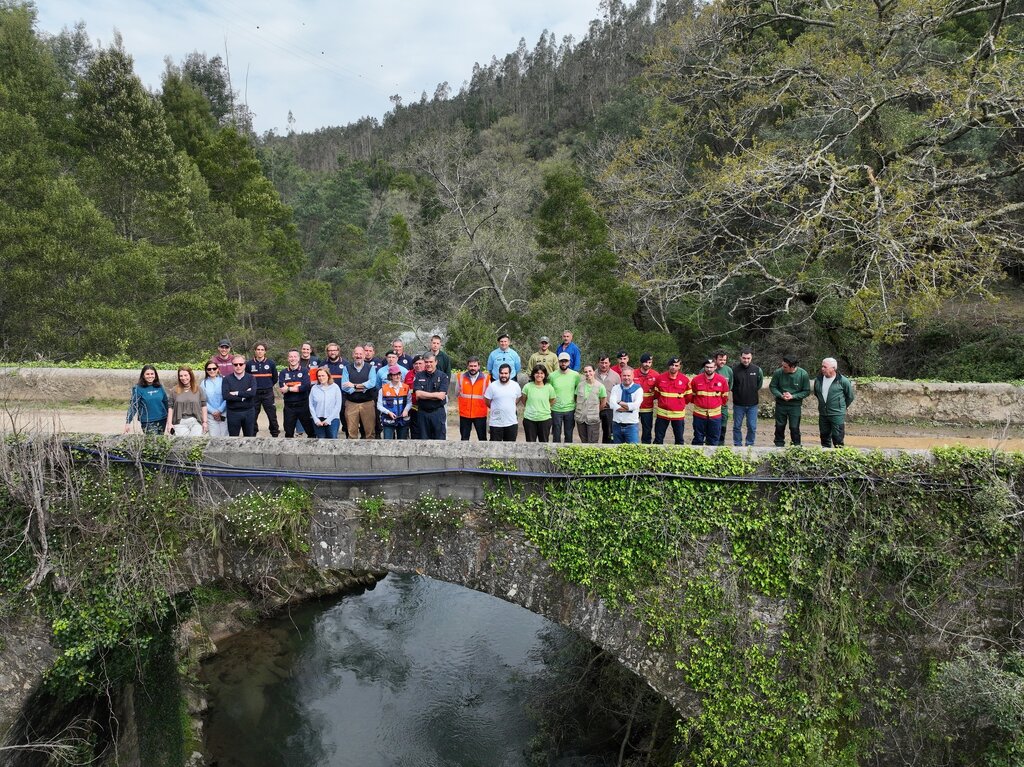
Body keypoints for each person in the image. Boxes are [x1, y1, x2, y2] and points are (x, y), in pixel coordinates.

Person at [770, 355, 811, 447]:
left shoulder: (803, 374)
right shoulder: (778, 373)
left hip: (795, 405)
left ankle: (796, 445)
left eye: (785, 367)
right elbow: (773, 386)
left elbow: (806, 391)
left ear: (792, 367)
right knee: (779, 426)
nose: (782, 368)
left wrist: (793, 396)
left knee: (794, 427)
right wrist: (780, 395)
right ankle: (779, 444)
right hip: (781, 404)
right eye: (782, 365)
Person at [813, 357, 855, 448]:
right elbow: (817, 394)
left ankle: (839, 458)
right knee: (824, 437)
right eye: (822, 366)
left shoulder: (843, 381)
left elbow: (850, 397)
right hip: (823, 414)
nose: (822, 369)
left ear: (833, 368)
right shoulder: (818, 380)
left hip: (837, 414)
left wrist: (841, 407)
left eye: (825, 367)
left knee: (838, 438)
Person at [689, 358, 729, 446]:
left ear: (715, 367)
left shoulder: (722, 380)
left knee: (714, 439)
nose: (709, 369)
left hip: (715, 416)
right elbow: (692, 396)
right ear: (704, 367)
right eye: (707, 367)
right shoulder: (696, 380)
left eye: (711, 367)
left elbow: (725, 397)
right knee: (698, 438)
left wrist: (715, 405)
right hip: (699, 415)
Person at [342, 346, 378, 440]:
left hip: (367, 403)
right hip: (351, 404)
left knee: (370, 433)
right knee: (351, 432)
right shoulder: (347, 368)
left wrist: (353, 386)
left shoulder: (371, 368)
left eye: (360, 354)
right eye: (356, 354)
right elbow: (344, 386)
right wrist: (362, 387)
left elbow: (371, 383)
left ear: (364, 355)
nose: (358, 356)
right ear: (353, 355)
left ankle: (370, 454)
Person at [278, 349, 316, 438]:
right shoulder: (284, 372)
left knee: (310, 431)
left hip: (303, 405)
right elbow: (282, 388)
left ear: (298, 358)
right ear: (288, 358)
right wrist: (298, 386)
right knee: (288, 432)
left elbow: (306, 386)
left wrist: (289, 388)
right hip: (289, 406)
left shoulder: (304, 371)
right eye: (291, 356)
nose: (293, 359)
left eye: (295, 356)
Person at [413, 353, 449, 440]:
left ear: (436, 362)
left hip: (437, 412)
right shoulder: (419, 375)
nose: (429, 364)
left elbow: (441, 396)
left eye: (431, 362)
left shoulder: (443, 376)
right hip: (423, 413)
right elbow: (418, 394)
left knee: (439, 440)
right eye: (426, 362)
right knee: (423, 440)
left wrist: (424, 394)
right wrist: (435, 395)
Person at [731, 349, 763, 447]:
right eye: (744, 358)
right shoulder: (734, 370)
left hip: (753, 404)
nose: (746, 360)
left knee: (752, 427)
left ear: (751, 358)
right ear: (740, 357)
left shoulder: (757, 369)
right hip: (738, 404)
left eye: (748, 358)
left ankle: (750, 444)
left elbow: (759, 384)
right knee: (737, 426)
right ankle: (738, 444)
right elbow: (732, 386)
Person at [247, 342, 280, 437]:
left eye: (262, 350)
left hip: (268, 393)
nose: (260, 351)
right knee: (253, 415)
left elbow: (274, 378)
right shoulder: (249, 364)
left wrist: (267, 385)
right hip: (254, 394)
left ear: (265, 351)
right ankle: (252, 435)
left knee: (272, 415)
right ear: (255, 351)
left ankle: (275, 435)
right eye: (258, 349)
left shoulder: (271, 363)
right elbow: (247, 379)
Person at [124, 365, 168, 434]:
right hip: (148, 421)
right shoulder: (137, 388)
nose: (150, 376)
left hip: (162, 419)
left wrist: (170, 419)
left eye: (152, 374)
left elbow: (166, 402)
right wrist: (128, 422)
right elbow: (133, 406)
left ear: (155, 375)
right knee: (152, 442)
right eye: (147, 374)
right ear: (143, 375)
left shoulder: (160, 387)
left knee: (160, 442)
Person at [654, 357, 690, 444]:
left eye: (676, 365)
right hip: (662, 414)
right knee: (658, 439)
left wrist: (678, 404)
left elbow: (688, 397)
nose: (673, 367)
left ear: (679, 367)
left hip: (678, 415)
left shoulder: (685, 380)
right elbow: (656, 394)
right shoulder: (660, 378)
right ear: (668, 366)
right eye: (672, 365)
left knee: (679, 439)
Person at [165, 366, 207, 437]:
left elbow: (204, 406)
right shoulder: (174, 390)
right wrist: (169, 424)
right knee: (183, 444)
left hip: (196, 421)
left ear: (190, 375)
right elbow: (170, 408)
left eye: (185, 375)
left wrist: (205, 422)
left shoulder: (198, 389)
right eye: (181, 376)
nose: (183, 378)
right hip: (180, 422)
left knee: (195, 443)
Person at [484, 364, 521, 442]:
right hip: (496, 423)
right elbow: (487, 401)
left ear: (510, 374)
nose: (503, 375)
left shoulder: (515, 386)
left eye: (506, 373)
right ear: (498, 373)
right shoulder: (492, 386)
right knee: (494, 449)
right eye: (501, 373)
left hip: (511, 422)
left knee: (510, 448)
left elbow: (518, 398)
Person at [549, 352, 581, 443]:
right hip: (555, 409)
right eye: (561, 361)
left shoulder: (575, 375)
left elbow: (577, 391)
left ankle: (568, 454)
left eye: (565, 361)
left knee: (569, 434)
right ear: (558, 362)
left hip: (570, 408)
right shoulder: (552, 376)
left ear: (569, 362)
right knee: (556, 434)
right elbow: (549, 391)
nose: (563, 363)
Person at [222, 355, 257, 436]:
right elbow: (226, 396)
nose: (238, 366)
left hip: (249, 413)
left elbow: (252, 393)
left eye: (241, 364)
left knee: (249, 438)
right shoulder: (226, 379)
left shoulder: (251, 378)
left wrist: (236, 393)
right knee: (233, 439)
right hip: (233, 413)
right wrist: (243, 397)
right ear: (232, 365)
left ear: (245, 365)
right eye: (235, 364)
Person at [456, 357, 490, 441]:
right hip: (465, 414)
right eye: (471, 366)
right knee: (464, 439)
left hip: (480, 414)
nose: (473, 368)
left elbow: (490, 396)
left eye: (475, 366)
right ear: (467, 366)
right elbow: (457, 393)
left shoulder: (486, 378)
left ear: (479, 366)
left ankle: (483, 454)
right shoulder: (460, 377)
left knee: (482, 439)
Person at [519, 365, 556, 442]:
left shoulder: (549, 387)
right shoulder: (527, 386)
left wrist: (545, 407)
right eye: (537, 373)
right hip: (529, 419)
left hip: (545, 419)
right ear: (533, 374)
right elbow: (523, 399)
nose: (539, 375)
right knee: (530, 443)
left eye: (542, 373)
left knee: (544, 443)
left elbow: (553, 399)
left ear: (545, 375)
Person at [377, 365, 413, 439]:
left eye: (399, 374)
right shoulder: (383, 389)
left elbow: (409, 402)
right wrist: (388, 412)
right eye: (395, 374)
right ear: (390, 376)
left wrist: (406, 410)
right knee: (387, 442)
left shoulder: (406, 387)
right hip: (388, 419)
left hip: (403, 419)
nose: (397, 376)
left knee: (402, 442)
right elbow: (379, 405)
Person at [574, 365, 607, 443]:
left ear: (594, 372)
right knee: (583, 441)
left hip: (593, 418)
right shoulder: (580, 385)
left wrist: (596, 410)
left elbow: (603, 402)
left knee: (593, 442)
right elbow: (576, 398)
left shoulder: (600, 386)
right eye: (585, 372)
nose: (588, 373)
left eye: (590, 371)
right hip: (581, 418)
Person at [608, 367, 642, 444]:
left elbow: (635, 406)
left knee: (633, 450)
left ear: (633, 376)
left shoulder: (638, 389)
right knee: (616, 451)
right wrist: (629, 407)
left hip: (631, 426)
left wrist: (620, 402)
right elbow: (612, 405)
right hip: (617, 425)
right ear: (621, 376)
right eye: (624, 375)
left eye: (628, 375)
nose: (626, 378)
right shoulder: (616, 388)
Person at [309, 367, 342, 439]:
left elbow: (338, 405)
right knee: (321, 442)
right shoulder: (314, 388)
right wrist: (316, 419)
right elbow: (311, 405)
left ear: (328, 376)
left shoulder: (335, 387)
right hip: (318, 420)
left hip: (332, 419)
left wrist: (328, 420)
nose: (321, 378)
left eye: (323, 375)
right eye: (319, 376)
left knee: (332, 442)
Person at [634, 354, 659, 444]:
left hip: (647, 408)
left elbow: (657, 392)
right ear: (641, 363)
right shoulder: (633, 373)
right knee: (633, 429)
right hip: (634, 408)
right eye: (645, 362)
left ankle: (646, 447)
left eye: (649, 362)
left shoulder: (656, 375)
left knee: (647, 431)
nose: (647, 364)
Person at [595, 355, 621, 444]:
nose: (604, 365)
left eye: (606, 363)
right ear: (598, 363)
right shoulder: (593, 374)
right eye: (602, 363)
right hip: (595, 407)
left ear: (609, 363)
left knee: (608, 432)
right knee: (593, 431)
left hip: (609, 408)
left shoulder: (616, 376)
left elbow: (619, 392)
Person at [201, 362, 228, 437]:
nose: (212, 370)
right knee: (214, 437)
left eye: (214, 368)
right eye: (209, 369)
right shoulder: (204, 383)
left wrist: (220, 410)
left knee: (225, 436)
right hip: (211, 415)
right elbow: (202, 400)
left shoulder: (224, 380)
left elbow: (227, 397)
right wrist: (213, 411)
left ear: (218, 369)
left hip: (224, 414)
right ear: (206, 371)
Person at [713, 350, 733, 446]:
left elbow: (730, 385)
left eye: (724, 360)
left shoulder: (728, 370)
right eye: (720, 359)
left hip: (723, 404)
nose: (722, 362)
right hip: (710, 404)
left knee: (723, 423)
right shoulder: (708, 369)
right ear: (715, 359)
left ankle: (721, 444)